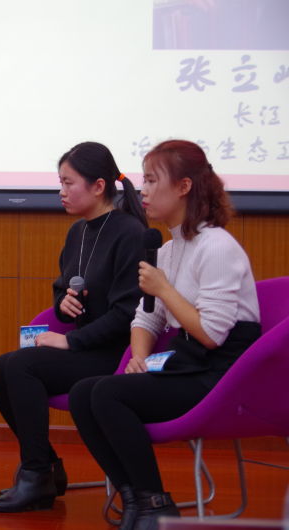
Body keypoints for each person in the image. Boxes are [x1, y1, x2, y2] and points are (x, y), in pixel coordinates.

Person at [69, 140, 261, 530]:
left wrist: (164, 289)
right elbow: (147, 317)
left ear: (184, 187)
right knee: (83, 393)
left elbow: (211, 334)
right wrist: (139, 357)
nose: (143, 190)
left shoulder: (217, 247)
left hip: (222, 375)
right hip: (186, 363)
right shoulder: (170, 250)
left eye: (153, 180)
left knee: (107, 394)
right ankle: (136, 498)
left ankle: (156, 502)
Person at [0, 142, 148, 512]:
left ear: (98, 186)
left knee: (22, 366)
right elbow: (63, 287)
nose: (61, 191)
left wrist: (71, 342)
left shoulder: (130, 233)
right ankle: (46, 466)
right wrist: (64, 303)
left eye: (68, 182)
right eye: (60, 182)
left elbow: (128, 313)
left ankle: (36, 474)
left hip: (117, 353)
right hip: (86, 345)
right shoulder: (78, 232)